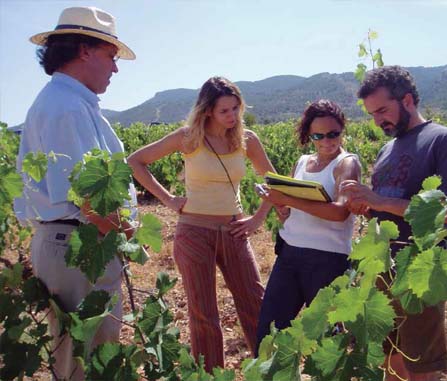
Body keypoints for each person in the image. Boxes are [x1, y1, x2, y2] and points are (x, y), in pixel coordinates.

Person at [14, 7, 137, 380]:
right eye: (111, 57)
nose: (115, 68)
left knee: (86, 357)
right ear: (85, 51)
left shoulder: (69, 102)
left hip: (76, 244)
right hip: (79, 247)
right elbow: (87, 196)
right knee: (82, 365)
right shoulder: (66, 108)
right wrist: (127, 236)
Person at [127, 76, 275, 372]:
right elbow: (136, 161)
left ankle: (270, 372)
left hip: (234, 231)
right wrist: (169, 199)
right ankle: (210, 377)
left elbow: (274, 183)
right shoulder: (189, 137)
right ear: (208, 110)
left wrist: (257, 219)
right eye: (225, 111)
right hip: (194, 232)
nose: (232, 116)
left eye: (236, 109)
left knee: (256, 304)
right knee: (204, 314)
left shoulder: (248, 139)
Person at [341, 66, 447, 381]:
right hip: (384, 265)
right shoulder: (388, 149)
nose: (378, 120)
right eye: (372, 114)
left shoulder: (444, 141)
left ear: (408, 100)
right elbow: (385, 207)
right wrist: (366, 207)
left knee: (422, 365)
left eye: (383, 110)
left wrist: (379, 201)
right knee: (391, 357)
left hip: (420, 267)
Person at [254, 99, 361, 352]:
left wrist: (288, 199)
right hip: (290, 254)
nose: (327, 141)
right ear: (309, 135)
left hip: (328, 261)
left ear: (342, 130)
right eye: (318, 135)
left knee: (328, 341)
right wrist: (280, 206)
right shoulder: (302, 162)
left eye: (333, 134)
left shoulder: (346, 164)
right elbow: (290, 213)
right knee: (269, 333)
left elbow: (340, 213)